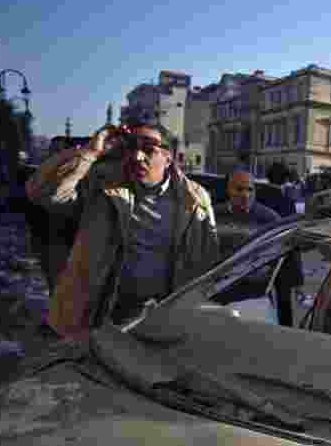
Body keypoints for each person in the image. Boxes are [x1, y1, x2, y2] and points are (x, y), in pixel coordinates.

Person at [26, 123, 219, 339]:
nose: (137, 156)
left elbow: (207, 262)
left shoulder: (195, 198)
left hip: (161, 317)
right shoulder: (102, 183)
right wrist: (91, 152)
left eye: (148, 148)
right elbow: (41, 192)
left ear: (169, 156)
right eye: (131, 147)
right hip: (100, 314)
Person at [213, 170, 303, 327]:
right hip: (219, 298)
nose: (245, 195)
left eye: (249, 189)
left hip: (255, 299)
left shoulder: (269, 219)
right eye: (239, 189)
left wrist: (295, 284)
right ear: (228, 189)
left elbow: (286, 254)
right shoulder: (214, 215)